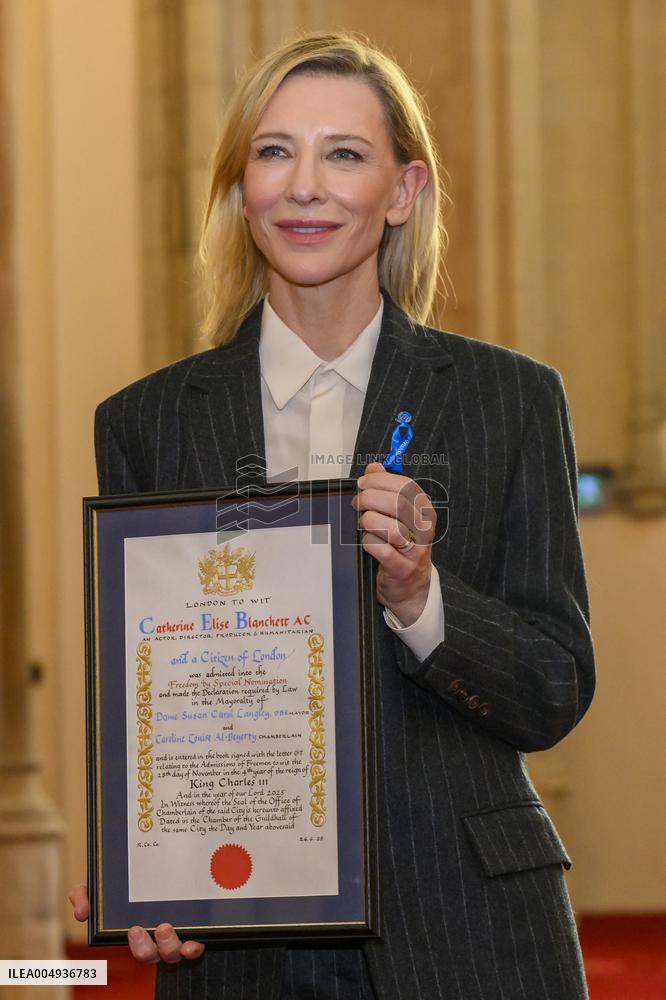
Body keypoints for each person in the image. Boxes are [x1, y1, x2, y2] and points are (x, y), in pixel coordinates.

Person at [70, 31, 595, 1000]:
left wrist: (421, 595)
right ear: (241, 189)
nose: (304, 186)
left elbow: (553, 688)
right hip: (242, 950)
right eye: (274, 151)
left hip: (467, 928)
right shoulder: (146, 422)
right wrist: (153, 864)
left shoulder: (510, 399)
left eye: (344, 153)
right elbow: (164, 701)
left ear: (402, 191)